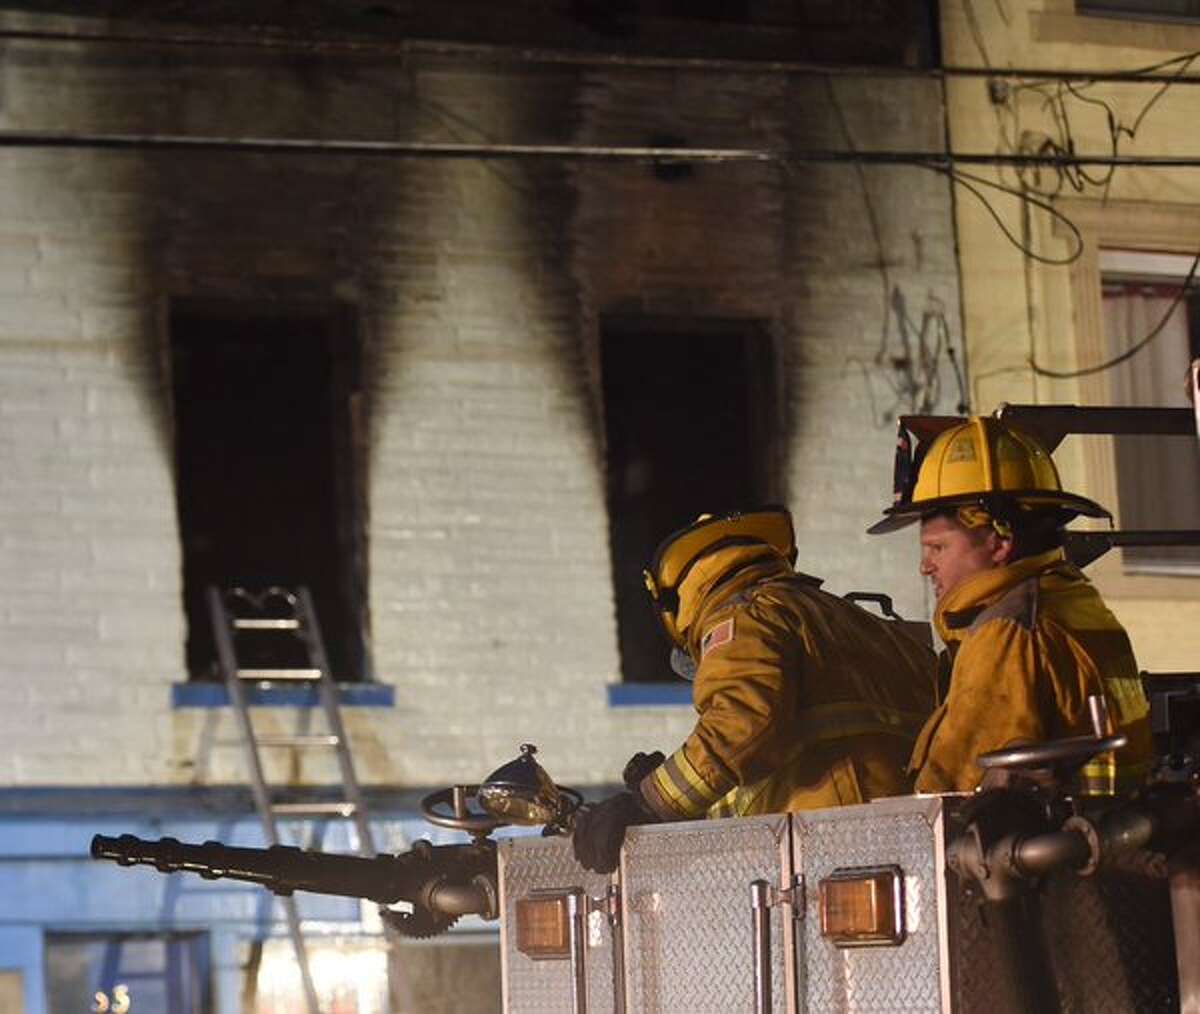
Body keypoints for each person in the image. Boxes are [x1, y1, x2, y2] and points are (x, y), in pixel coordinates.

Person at [572, 507, 938, 874]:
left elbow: (741, 724)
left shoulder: (745, 616)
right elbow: (770, 758)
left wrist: (652, 803)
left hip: (833, 853)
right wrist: (682, 797)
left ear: (677, 603)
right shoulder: (870, 627)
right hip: (913, 846)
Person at [866, 415, 1153, 795]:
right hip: (1105, 829)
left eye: (938, 547)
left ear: (1000, 542)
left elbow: (953, 788)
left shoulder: (1005, 633)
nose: (925, 566)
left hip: (1054, 841)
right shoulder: (1071, 598)